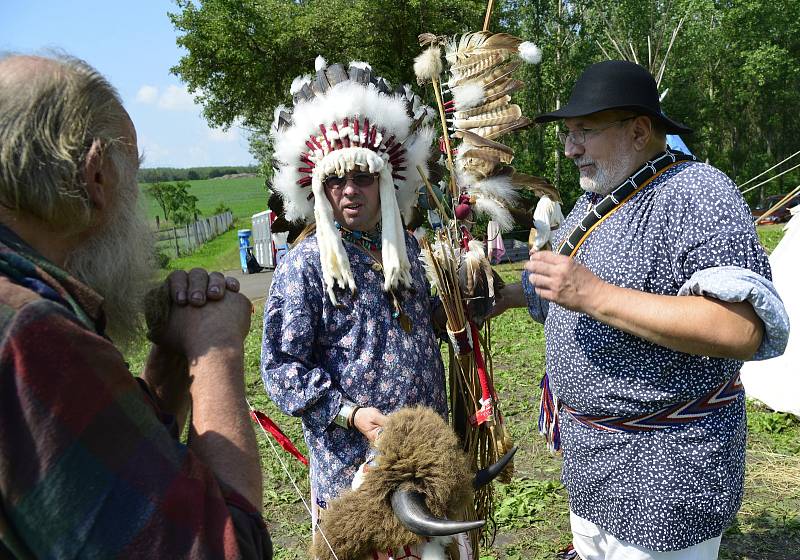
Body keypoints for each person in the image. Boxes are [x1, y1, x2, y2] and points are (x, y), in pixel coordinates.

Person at [494, 60, 790, 559]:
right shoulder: (598, 201)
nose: (569, 149)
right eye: (568, 134)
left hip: (667, 480)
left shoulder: (697, 193)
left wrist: (593, 295)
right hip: (594, 472)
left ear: (637, 131)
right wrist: (497, 299)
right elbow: (562, 293)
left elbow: (740, 328)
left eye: (583, 131)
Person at [0, 53, 272, 559]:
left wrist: (172, 362)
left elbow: (111, 478)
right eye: (134, 173)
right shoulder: (29, 334)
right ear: (97, 176)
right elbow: (223, 549)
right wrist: (214, 349)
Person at [260, 58, 461, 556]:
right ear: (318, 188)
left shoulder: (405, 247)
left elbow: (418, 324)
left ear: (385, 181)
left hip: (426, 453)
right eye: (335, 180)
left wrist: (457, 307)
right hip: (357, 464)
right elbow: (280, 368)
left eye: (361, 177)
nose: (349, 190)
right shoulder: (305, 265)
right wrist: (349, 414)